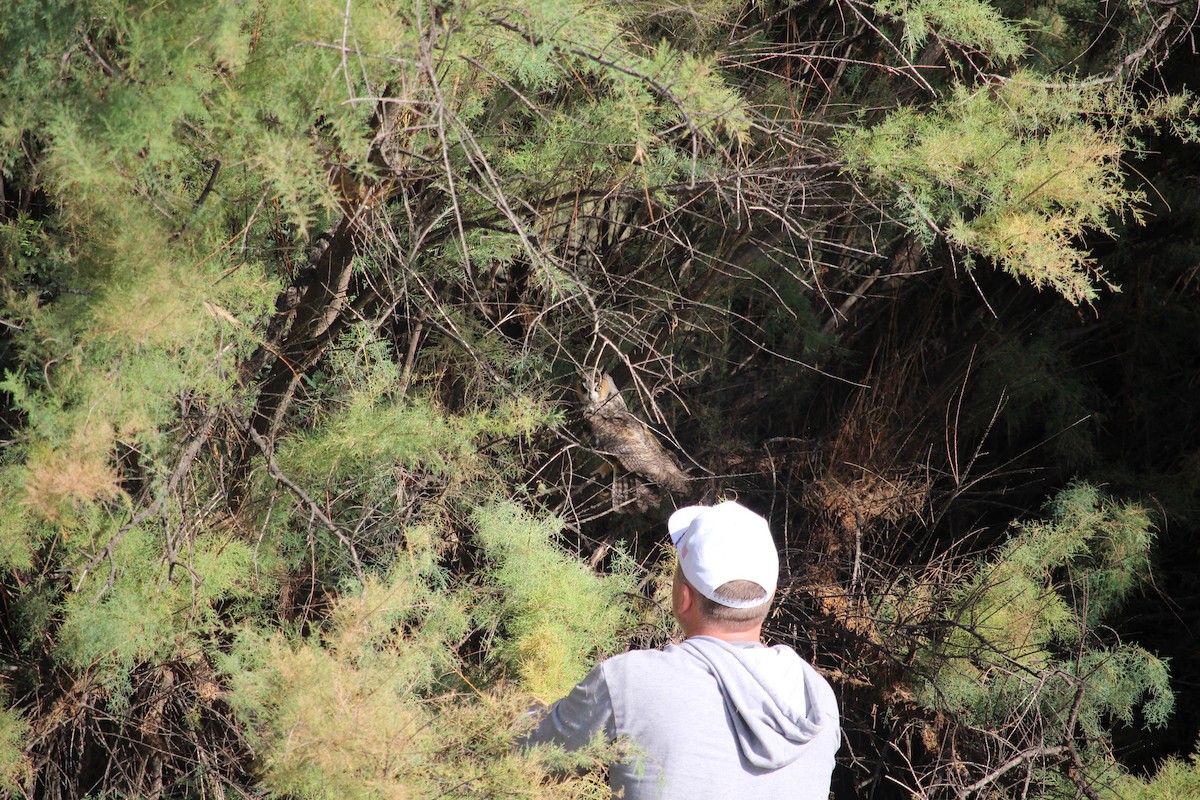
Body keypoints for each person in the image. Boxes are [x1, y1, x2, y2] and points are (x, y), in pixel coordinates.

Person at [518, 500, 841, 798]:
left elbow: (532, 753)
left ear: (684, 597)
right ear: (770, 596)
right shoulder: (818, 696)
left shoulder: (630, 680)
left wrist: (516, 706)